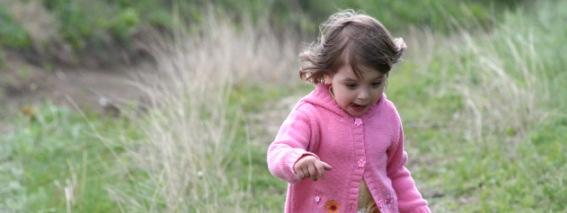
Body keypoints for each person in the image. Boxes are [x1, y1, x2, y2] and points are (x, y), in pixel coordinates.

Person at [266, 10, 430, 213]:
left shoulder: (387, 115)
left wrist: (418, 209)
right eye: (351, 85)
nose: (364, 95)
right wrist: (297, 159)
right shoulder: (310, 114)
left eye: (375, 83)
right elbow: (278, 151)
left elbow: (395, 172)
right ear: (327, 75)